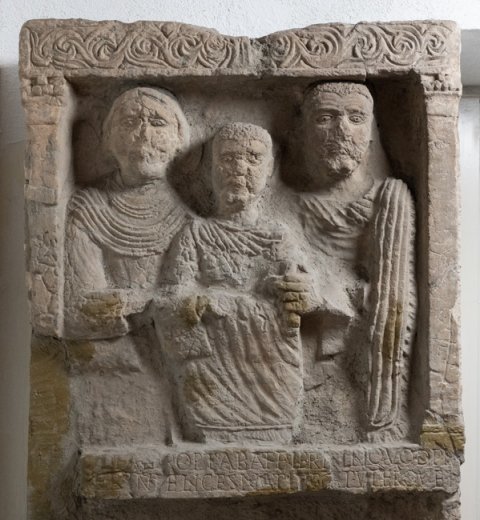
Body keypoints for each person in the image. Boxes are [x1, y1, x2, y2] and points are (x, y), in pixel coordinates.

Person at [153, 122, 311, 443]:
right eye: (227, 158)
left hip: (270, 364)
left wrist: (299, 293)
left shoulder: (277, 236)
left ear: (269, 170)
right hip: (213, 367)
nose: (239, 167)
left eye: (253, 159)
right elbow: (172, 296)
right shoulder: (196, 234)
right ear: (210, 170)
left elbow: (298, 288)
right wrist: (196, 304)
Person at [299, 82, 416, 442]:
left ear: (371, 133)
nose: (342, 130)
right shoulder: (292, 205)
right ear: (304, 132)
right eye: (325, 118)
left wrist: (326, 297)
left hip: (362, 363)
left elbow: (396, 299)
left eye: (355, 118)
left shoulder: (390, 198)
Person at [64, 87, 190, 339]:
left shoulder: (190, 210)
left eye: (158, 123)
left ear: (179, 139)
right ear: (108, 138)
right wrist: (153, 307)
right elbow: (80, 306)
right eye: (129, 122)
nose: (144, 134)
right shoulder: (87, 208)